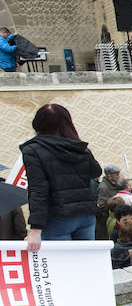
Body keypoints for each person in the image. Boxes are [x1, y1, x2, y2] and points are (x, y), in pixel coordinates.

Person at [21, 104, 103, 251]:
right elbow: (96, 171)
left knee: (60, 268)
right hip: (86, 214)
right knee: (85, 264)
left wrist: (35, 230)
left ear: (38, 123)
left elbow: (38, 189)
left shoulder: (33, 150)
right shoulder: (79, 147)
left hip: (58, 217)